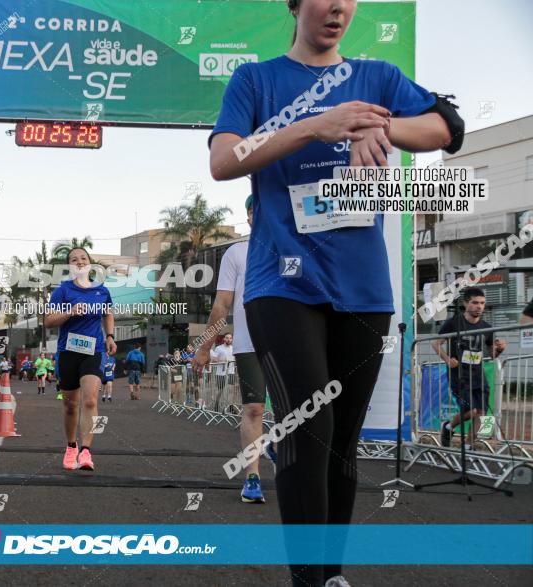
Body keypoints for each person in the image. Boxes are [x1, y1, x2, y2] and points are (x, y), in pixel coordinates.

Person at [208, 1, 460, 584]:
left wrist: (379, 124)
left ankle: (329, 574)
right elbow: (225, 160)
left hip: (364, 288)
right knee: (306, 430)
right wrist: (313, 126)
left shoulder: (378, 78)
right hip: (283, 284)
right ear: (295, 5)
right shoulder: (257, 79)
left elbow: (446, 128)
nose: (340, 6)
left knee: (343, 441)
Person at [195, 195, 272, 504]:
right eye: (253, 211)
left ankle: (282, 449)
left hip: (291, 341)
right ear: (249, 217)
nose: (259, 215)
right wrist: (204, 347)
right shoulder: (236, 253)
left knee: (300, 408)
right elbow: (222, 305)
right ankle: (252, 477)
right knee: (254, 408)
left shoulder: (294, 247)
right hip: (249, 342)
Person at [44, 247, 117, 471]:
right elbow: (48, 320)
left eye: (83, 258)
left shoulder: (101, 290)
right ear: (69, 266)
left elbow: (108, 313)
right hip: (68, 351)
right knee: (70, 405)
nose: (79, 261)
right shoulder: (62, 291)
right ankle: (71, 446)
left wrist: (110, 336)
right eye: (74, 259)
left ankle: (86, 451)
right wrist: (70, 312)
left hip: (93, 350)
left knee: (90, 401)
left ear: (90, 263)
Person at [433, 287, 506, 448]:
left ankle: (468, 446)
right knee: (471, 410)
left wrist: (500, 348)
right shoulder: (454, 322)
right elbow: (436, 343)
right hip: (459, 375)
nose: (479, 306)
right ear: (466, 303)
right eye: (475, 303)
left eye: (482, 303)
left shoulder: (487, 326)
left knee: (481, 412)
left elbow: (492, 355)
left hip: (478, 376)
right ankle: (448, 427)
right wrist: (447, 359)